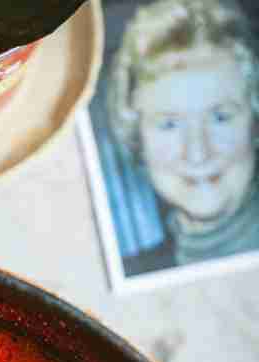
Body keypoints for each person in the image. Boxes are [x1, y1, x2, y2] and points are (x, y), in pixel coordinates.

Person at [107, 0, 259, 274]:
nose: (198, 152)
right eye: (169, 124)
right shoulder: (139, 271)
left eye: (220, 117)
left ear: (254, 123)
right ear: (137, 137)